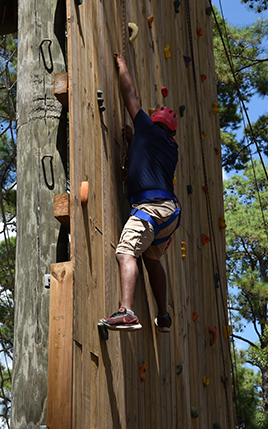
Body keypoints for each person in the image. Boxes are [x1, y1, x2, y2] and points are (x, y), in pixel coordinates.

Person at [101, 52, 181, 333]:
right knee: (152, 257)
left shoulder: (146, 128)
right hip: (169, 213)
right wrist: (134, 140)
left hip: (150, 208)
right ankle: (164, 317)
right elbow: (149, 156)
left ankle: (127, 312)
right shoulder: (171, 149)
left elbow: (129, 94)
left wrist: (123, 65)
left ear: (152, 121)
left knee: (126, 252)